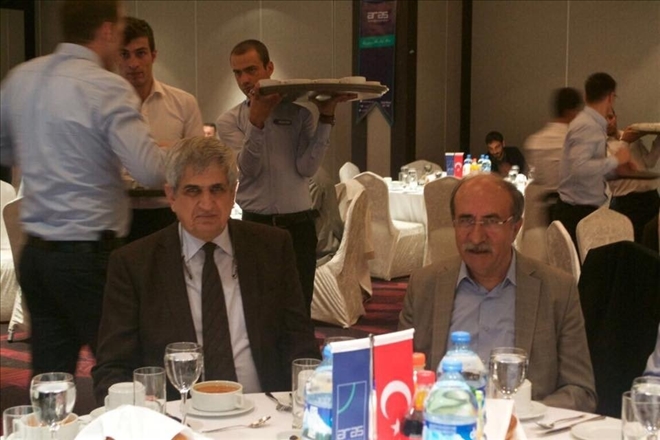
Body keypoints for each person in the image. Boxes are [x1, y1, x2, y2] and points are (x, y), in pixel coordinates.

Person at [0, 0, 165, 376]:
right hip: (88, 259)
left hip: (36, 256)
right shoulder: (107, 88)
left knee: (50, 376)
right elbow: (150, 170)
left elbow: (4, 150)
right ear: (106, 31)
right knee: (124, 368)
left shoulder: (21, 77)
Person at [92, 136, 320, 403]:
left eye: (217, 190)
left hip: (265, 410)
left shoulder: (271, 248)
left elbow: (300, 343)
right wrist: (139, 407)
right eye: (193, 191)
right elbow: (112, 368)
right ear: (171, 196)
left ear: (233, 193)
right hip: (176, 415)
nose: (207, 205)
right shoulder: (135, 264)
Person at [398, 173, 597, 411]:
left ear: (515, 228)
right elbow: (398, 377)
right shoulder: (425, 285)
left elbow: (580, 392)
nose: (476, 237)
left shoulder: (556, 290)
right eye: (466, 220)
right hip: (446, 423)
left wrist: (523, 413)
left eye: (491, 221)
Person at [216, 39, 354, 313]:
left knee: (299, 307)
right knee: (258, 309)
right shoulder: (229, 121)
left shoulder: (300, 115)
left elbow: (307, 168)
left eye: (251, 70)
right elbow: (248, 170)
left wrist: (326, 117)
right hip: (255, 226)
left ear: (269, 68)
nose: (244, 80)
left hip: (299, 227)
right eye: (238, 73)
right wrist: (256, 122)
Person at [118, 16, 204, 242]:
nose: (133, 63)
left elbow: (198, 161)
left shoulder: (184, 103)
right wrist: (173, 151)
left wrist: (171, 152)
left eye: (140, 53)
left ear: (153, 55)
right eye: (124, 54)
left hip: (168, 213)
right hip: (119, 216)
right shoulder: (107, 108)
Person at [554, 72, 633, 245]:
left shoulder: (590, 123)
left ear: (585, 95)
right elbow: (579, 168)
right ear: (611, 97)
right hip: (578, 214)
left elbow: (588, 168)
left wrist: (616, 170)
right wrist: (616, 160)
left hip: (581, 210)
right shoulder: (587, 125)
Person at [605, 109, 660, 243]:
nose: (608, 122)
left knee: (653, 243)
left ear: (616, 117)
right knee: (634, 245)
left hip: (651, 198)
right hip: (627, 203)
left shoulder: (631, 136)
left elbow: (649, 162)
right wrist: (625, 142)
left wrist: (659, 140)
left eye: (610, 117)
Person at [523, 87, 583, 193]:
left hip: (542, 201)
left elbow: (534, 178)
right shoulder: (578, 143)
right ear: (571, 112)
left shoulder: (534, 141)